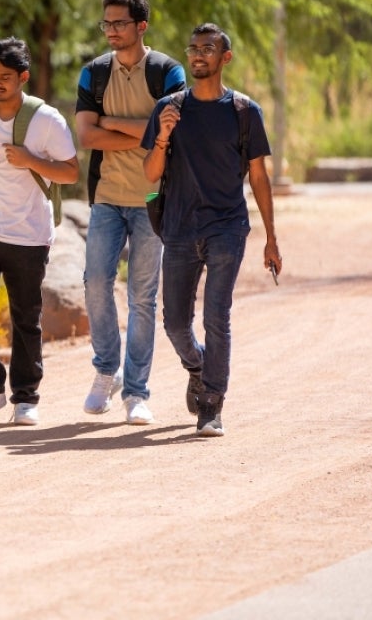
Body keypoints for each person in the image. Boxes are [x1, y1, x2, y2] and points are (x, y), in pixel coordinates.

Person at [142, 23, 281, 437]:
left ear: (225, 57)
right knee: (174, 323)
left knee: (217, 315)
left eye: (209, 48)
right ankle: (198, 367)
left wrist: (271, 238)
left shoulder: (244, 112)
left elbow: (259, 177)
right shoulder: (169, 108)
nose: (199, 54)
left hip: (227, 228)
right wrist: (164, 134)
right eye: (194, 48)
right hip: (180, 228)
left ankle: (211, 404)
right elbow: (150, 173)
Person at [0, 37, 79, 425]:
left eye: (5, 76)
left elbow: (70, 172)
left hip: (28, 231)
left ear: (23, 77)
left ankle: (26, 397)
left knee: (25, 315)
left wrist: (30, 160)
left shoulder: (46, 120)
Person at [75, 0, 186, 424]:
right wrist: (144, 131)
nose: (112, 31)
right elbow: (86, 137)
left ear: (141, 26)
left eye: (120, 23)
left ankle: (136, 393)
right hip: (106, 196)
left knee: (143, 297)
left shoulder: (167, 72)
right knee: (95, 283)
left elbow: (174, 131)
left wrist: (111, 123)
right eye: (107, 24)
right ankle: (107, 371)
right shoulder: (93, 74)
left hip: (153, 199)